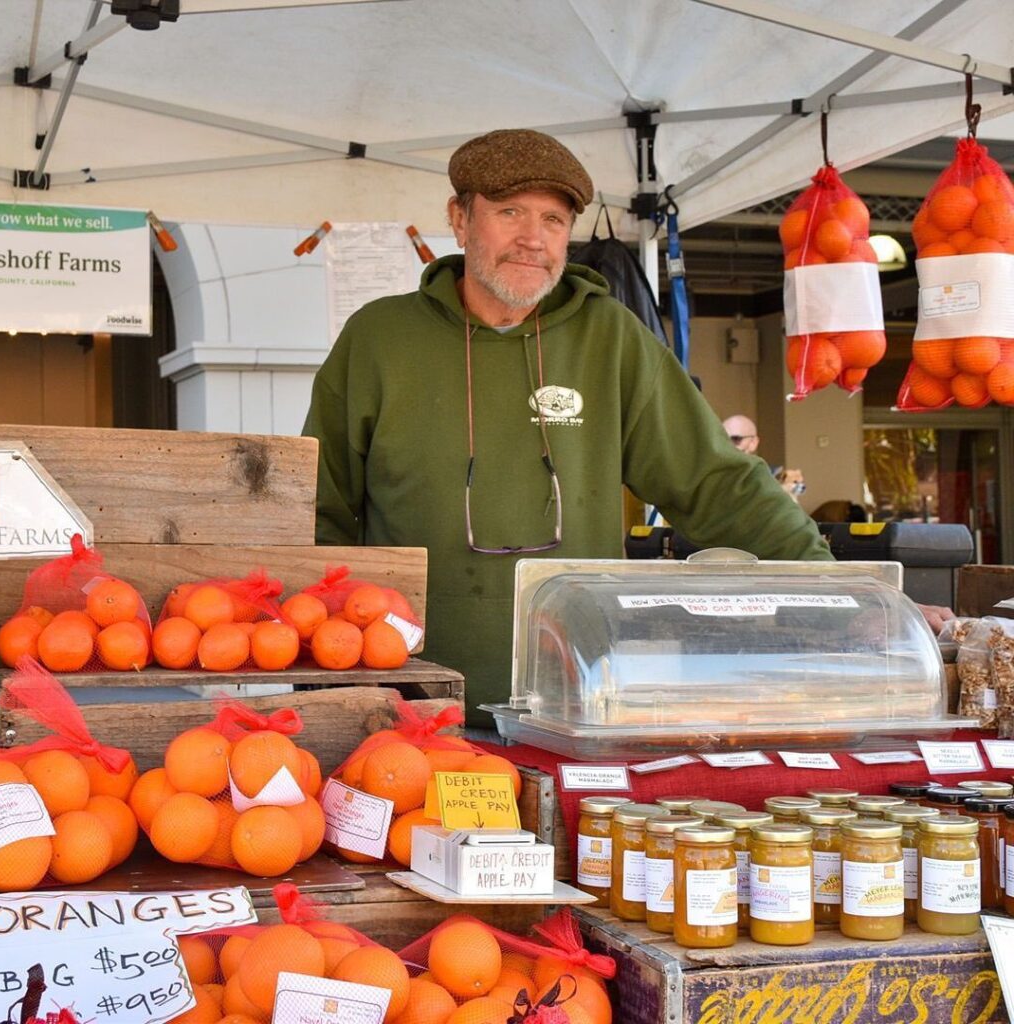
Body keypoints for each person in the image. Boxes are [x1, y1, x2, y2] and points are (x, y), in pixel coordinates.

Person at [303, 128, 840, 728]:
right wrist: (330, 668)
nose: (533, 239)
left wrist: (842, 588)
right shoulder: (379, 339)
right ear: (459, 220)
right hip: (403, 704)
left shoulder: (611, 339)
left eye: (554, 220)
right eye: (510, 212)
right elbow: (317, 509)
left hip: (573, 702)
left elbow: (716, 482)